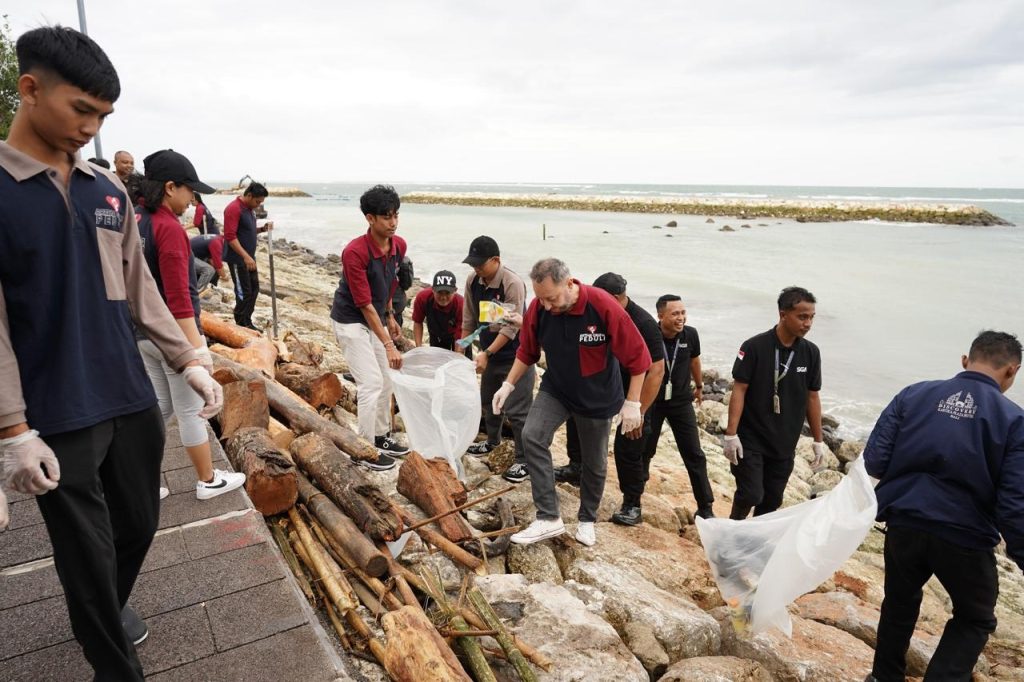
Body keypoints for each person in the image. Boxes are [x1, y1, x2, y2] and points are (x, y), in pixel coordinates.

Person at [0, 26, 223, 680]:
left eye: (103, 117)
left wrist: (188, 359)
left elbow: (140, 288)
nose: (91, 128)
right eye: (81, 110)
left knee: (139, 523)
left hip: (128, 394)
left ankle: (102, 607)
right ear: (31, 88)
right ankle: (111, 658)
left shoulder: (105, 191)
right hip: (57, 411)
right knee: (85, 555)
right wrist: (13, 429)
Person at [863, 331, 1024, 682]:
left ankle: (882, 677)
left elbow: (874, 460)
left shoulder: (913, 394)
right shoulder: (1015, 420)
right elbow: (1014, 503)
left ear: (965, 360)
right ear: (1012, 372)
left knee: (899, 604)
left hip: (903, 523)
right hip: (964, 537)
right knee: (975, 617)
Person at [497, 259, 651, 547]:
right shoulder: (540, 308)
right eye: (540, 298)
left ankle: (587, 519)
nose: (546, 305)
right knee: (532, 436)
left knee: (594, 462)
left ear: (570, 283)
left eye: (552, 298)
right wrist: (508, 383)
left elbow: (638, 355)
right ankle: (548, 517)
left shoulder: (602, 304)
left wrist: (633, 403)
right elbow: (527, 351)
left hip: (598, 396)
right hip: (558, 388)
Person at [135, 149, 245, 500]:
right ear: (170, 187)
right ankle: (208, 479)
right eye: (189, 191)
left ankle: (143, 481)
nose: (192, 200)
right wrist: (195, 351)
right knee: (190, 408)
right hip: (171, 337)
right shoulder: (168, 229)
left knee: (159, 409)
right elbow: (180, 297)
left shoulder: (135, 219)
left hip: (141, 332)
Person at [554, 274, 667, 528]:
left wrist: (639, 409)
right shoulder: (600, 312)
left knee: (629, 444)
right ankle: (577, 466)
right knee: (577, 415)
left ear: (615, 298)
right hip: (606, 383)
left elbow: (656, 371)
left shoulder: (644, 323)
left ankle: (632, 503)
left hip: (634, 389)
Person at [722, 286, 825, 520]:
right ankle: (731, 535)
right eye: (802, 316)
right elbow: (739, 388)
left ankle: (752, 547)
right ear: (782, 314)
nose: (808, 323)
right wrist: (731, 434)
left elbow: (812, 396)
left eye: (811, 317)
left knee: (771, 502)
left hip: (784, 442)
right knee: (750, 494)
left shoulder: (811, 353)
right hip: (751, 438)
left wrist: (818, 441)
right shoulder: (754, 346)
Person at [329, 184, 408, 467]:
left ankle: (380, 434)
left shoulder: (398, 245)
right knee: (370, 383)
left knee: (387, 378)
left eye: (396, 215)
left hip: (375, 315)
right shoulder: (355, 253)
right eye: (386, 216)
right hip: (351, 320)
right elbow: (363, 303)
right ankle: (363, 449)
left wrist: (389, 314)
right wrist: (388, 343)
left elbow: (390, 282)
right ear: (370, 218)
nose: (393, 222)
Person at [461, 236, 535, 483]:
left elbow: (510, 328)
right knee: (488, 401)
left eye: (481, 264)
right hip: (489, 352)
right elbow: (469, 319)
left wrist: (487, 353)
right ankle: (493, 441)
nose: (477, 269)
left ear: (496, 260)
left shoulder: (512, 283)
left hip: (517, 355)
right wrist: (462, 350)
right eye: (473, 265)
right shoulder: (474, 281)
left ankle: (525, 461)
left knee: (518, 411)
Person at [635, 294, 716, 521]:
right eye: (675, 314)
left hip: (681, 402)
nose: (681, 318)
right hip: (653, 402)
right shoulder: (650, 335)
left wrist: (699, 385)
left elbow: (695, 360)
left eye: (683, 312)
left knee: (694, 454)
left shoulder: (691, 335)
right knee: (645, 449)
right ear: (660, 316)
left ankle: (706, 506)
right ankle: (635, 498)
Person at [224, 182, 271, 329]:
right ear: (249, 195)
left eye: (261, 203)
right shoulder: (234, 208)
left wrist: (262, 229)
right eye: (257, 201)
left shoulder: (250, 209)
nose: (258, 205)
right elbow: (230, 236)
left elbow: (246, 231)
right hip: (238, 259)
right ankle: (240, 323)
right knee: (243, 292)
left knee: (254, 289)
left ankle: (247, 321)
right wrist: (245, 256)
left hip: (249, 258)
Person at [412, 270, 465, 351]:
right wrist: (418, 348)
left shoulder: (461, 304)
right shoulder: (423, 298)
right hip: (435, 333)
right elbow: (418, 322)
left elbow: (461, 333)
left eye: (447, 293)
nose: (443, 297)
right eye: (439, 292)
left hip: (457, 335)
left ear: (455, 290)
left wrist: (459, 354)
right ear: (433, 289)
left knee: (461, 359)